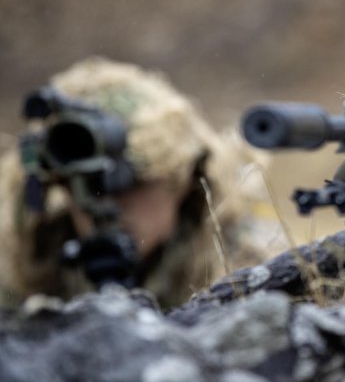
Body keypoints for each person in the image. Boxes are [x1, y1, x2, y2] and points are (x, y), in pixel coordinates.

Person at [0, 57, 288, 309]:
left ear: (183, 181)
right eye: (83, 183)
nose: (108, 202)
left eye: (133, 182)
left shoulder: (248, 266)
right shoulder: (31, 268)